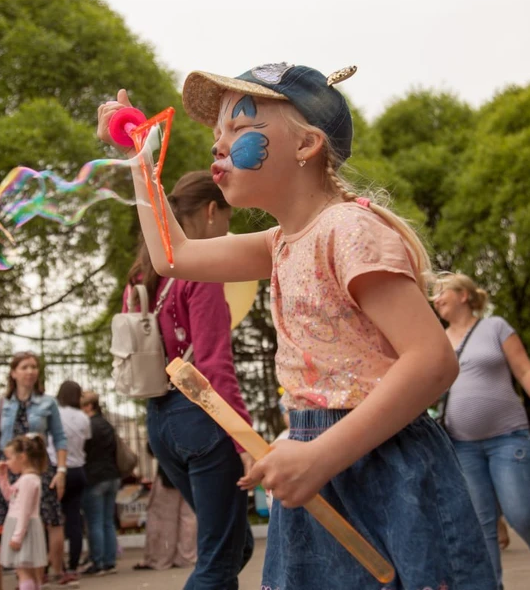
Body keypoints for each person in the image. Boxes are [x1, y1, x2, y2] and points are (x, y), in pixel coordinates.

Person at [97, 64, 496, 589]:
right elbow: (176, 255)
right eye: (218, 133)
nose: (218, 145)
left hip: (377, 461)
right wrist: (140, 159)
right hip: (312, 453)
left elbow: (432, 360)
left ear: (306, 144)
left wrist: (320, 456)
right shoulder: (282, 240)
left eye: (239, 128)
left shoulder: (347, 228)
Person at [117, 170, 255, 589]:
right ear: (212, 212)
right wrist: (245, 439)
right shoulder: (202, 272)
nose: (227, 232)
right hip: (201, 421)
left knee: (235, 545)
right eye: (228, 220)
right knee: (218, 557)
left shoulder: (141, 274)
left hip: (160, 422)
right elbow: (213, 366)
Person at [433, 272, 530, 589]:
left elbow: (525, 369)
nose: (435, 299)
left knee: (522, 514)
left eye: (442, 292)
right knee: (481, 525)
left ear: (464, 295)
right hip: (462, 445)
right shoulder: (437, 339)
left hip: (508, 438)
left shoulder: (495, 327)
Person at [0, 352, 70, 588]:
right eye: (25, 367)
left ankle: (43, 576)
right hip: (10, 467)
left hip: (39, 470)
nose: (30, 371)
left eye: (34, 367)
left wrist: (61, 470)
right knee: (15, 520)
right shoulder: (0, 403)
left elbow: (59, 438)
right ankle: (23, 578)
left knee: (46, 520)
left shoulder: (48, 402)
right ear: (14, 372)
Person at [49, 381, 90, 581]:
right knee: (74, 518)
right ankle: (73, 564)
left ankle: (57, 564)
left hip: (58, 468)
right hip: (78, 469)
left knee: (55, 520)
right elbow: (86, 440)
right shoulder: (83, 417)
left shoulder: (55, 414)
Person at [0, 435, 50, 590]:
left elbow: (25, 511)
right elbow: (11, 497)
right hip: (22, 526)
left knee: (24, 572)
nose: (7, 462)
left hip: (22, 528)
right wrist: (2, 476)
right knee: (30, 573)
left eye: (9, 458)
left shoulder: (28, 480)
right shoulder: (26, 479)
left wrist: (18, 536)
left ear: (22, 457)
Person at [134, 443, 197, 572]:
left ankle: (160, 558)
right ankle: (186, 557)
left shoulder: (165, 422)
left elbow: (153, 446)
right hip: (193, 471)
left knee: (163, 518)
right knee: (189, 517)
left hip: (169, 472)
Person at [79, 391, 121, 576]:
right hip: (112, 475)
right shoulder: (106, 424)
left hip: (94, 477)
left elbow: (84, 452)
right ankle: (110, 560)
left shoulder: (88, 426)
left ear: (88, 406)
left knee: (94, 521)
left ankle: (98, 561)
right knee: (107, 521)